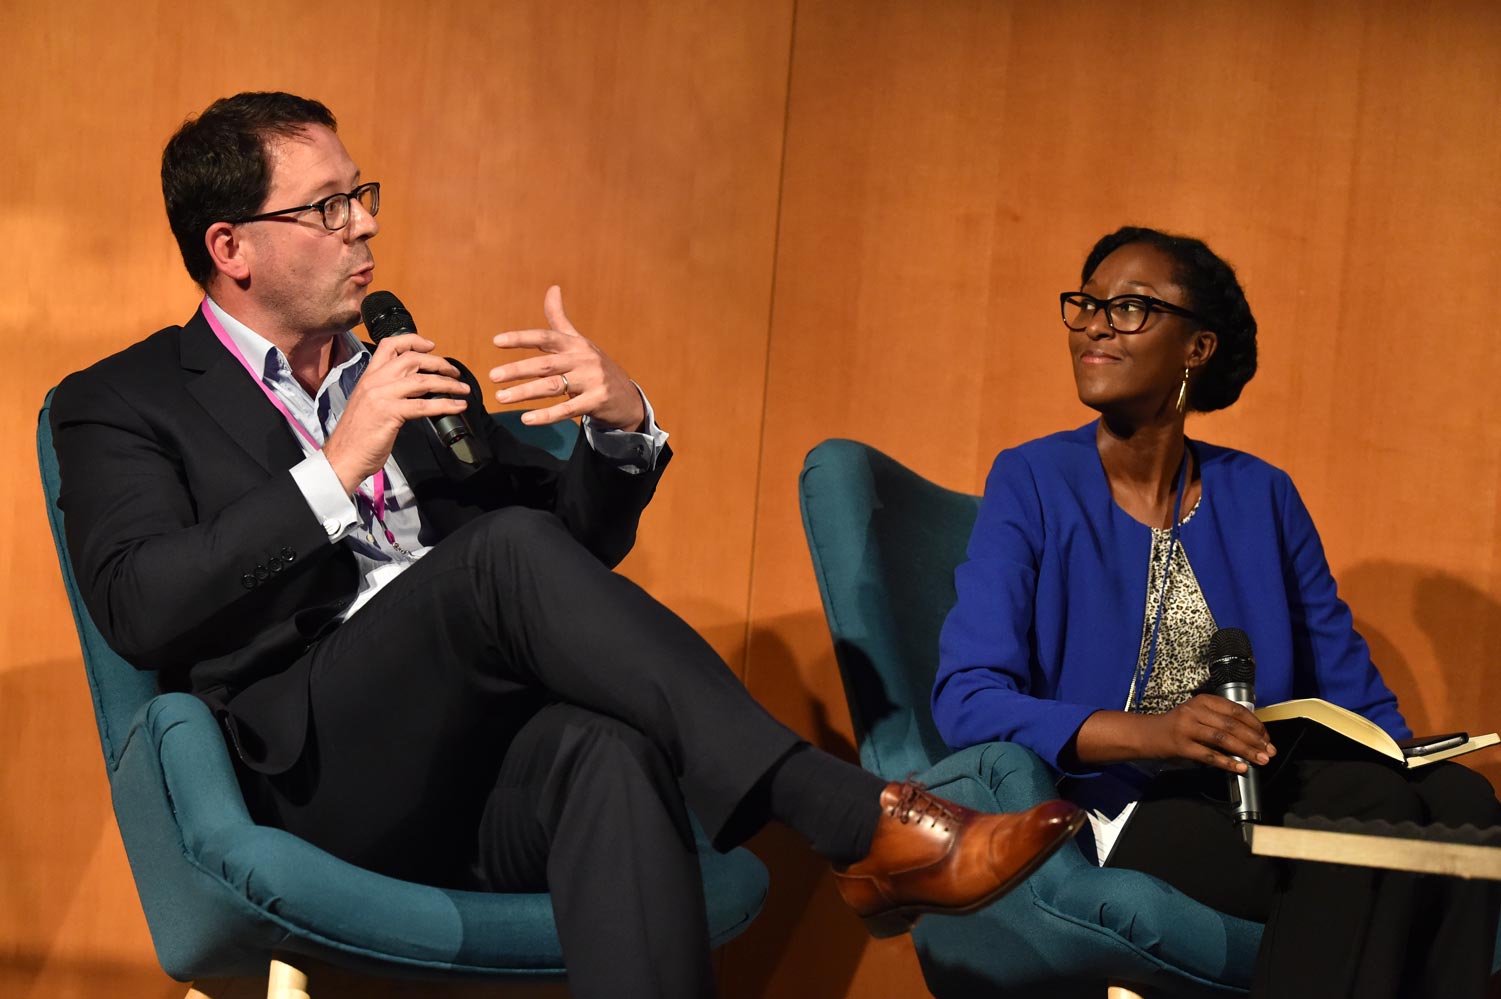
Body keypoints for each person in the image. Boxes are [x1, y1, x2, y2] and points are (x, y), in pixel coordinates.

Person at [49, 91, 1083, 998]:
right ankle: (853, 821)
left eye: (362, 195)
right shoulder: (125, 401)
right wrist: (335, 468)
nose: (364, 224)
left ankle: (847, 839)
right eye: (327, 207)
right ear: (231, 247)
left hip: (479, 767)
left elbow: (560, 557)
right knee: (501, 556)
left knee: (609, 753)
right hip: (316, 779)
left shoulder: (403, 369)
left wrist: (618, 434)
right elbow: (140, 603)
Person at [932, 226, 1501, 997]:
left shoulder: (1262, 493)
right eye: (1086, 304)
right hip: (1118, 810)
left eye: (1129, 307)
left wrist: (1407, 759)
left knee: (1464, 805)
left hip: (1264, 794)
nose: (1095, 325)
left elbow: (1350, 691)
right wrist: (1157, 733)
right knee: (1366, 810)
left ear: (1196, 348)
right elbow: (966, 698)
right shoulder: (1032, 478)